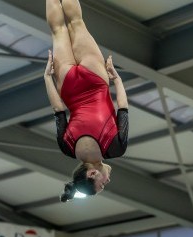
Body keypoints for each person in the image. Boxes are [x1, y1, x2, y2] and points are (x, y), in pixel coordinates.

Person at [43, 0, 129, 202]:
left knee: (76, 22)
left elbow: (123, 109)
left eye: (102, 184)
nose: (107, 182)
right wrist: (48, 78)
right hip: (68, 87)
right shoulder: (67, 148)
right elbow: (58, 110)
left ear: (92, 174)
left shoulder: (115, 148)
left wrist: (117, 79)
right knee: (58, 29)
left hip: (96, 81)